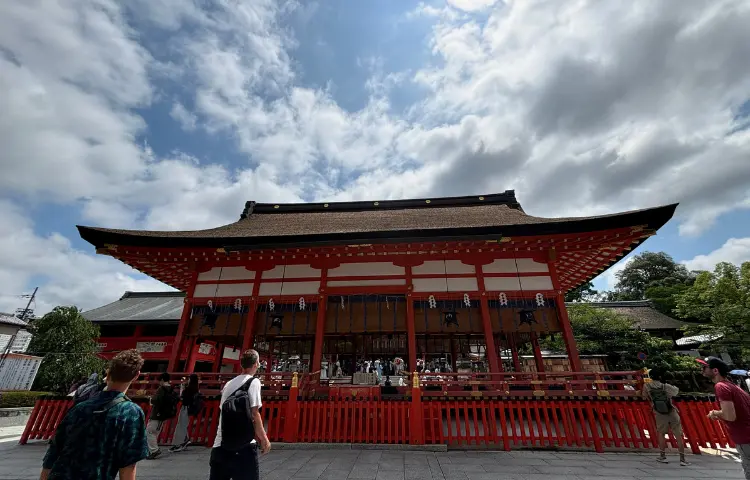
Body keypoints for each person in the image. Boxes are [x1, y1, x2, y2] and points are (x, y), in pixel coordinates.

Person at [40, 349, 149, 480]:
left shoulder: (79, 407)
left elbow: (53, 452)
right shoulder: (130, 412)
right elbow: (128, 464)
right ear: (137, 375)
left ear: (107, 373)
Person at [210, 349, 270, 480]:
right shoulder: (253, 382)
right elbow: (255, 414)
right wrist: (264, 438)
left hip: (220, 445)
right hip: (244, 446)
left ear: (241, 364)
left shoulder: (228, 384)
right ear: (256, 364)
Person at [699, 356, 750, 479]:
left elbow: (730, 416)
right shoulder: (733, 386)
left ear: (715, 370)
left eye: (705, 367)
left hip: (744, 436)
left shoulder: (721, 387)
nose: (702, 370)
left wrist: (715, 413)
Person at [642, 368, 690, 466]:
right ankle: (682, 459)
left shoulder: (646, 386)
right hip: (671, 412)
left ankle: (662, 456)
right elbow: (676, 392)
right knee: (678, 435)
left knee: (661, 434)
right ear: (660, 377)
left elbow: (644, 396)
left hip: (659, 413)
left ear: (650, 377)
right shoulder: (665, 386)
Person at [146, 372, 179, 459]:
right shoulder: (171, 389)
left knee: (149, 431)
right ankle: (153, 449)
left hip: (157, 413)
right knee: (154, 432)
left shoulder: (161, 389)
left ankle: (154, 450)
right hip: (163, 414)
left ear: (162, 380)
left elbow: (157, 400)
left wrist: (151, 399)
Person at [169, 373, 202, 453]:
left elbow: (183, 398)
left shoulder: (188, 389)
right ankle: (185, 440)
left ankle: (179, 444)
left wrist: (182, 389)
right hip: (190, 408)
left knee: (181, 426)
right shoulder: (196, 389)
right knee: (183, 424)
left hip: (185, 408)